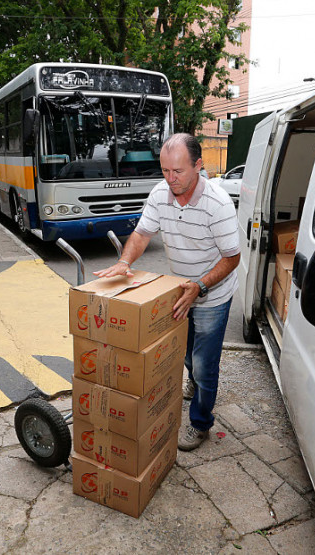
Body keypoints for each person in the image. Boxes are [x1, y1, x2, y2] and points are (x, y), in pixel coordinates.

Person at [94, 133, 240, 451]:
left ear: (198, 166)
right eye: (165, 171)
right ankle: (195, 381)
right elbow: (143, 233)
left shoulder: (219, 204)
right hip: (180, 289)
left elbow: (233, 257)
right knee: (185, 351)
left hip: (212, 293)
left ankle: (200, 423)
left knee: (204, 363)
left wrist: (200, 286)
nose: (171, 179)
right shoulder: (161, 194)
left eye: (178, 171)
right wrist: (124, 261)